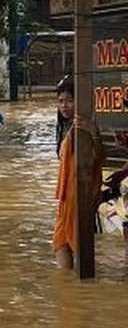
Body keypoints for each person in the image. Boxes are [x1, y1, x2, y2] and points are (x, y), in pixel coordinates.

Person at [50, 78, 128, 269]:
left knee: (69, 243)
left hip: (79, 193)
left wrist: (94, 133)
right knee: (62, 243)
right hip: (67, 196)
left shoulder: (84, 128)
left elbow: (96, 159)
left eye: (69, 100)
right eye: (60, 101)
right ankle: (73, 289)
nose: (64, 106)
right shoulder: (68, 128)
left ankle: (76, 284)